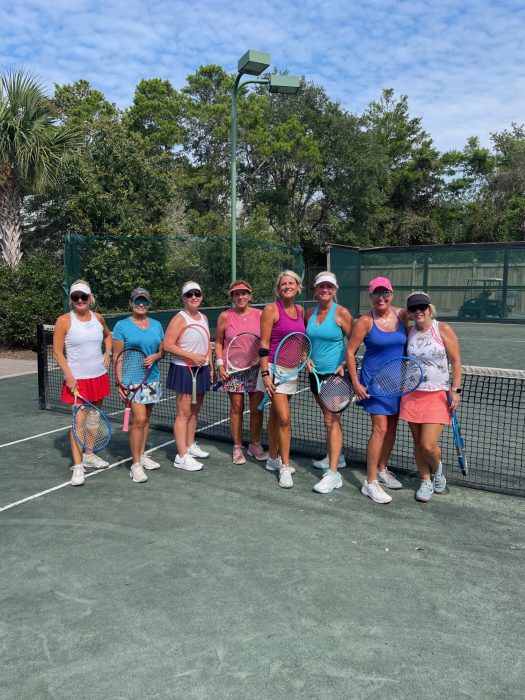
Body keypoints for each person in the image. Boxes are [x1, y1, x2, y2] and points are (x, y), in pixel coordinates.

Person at [346, 277, 408, 504]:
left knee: (392, 427)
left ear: (391, 295)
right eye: (376, 294)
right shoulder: (365, 321)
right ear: (370, 297)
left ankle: (382, 468)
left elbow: (423, 317)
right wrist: (356, 382)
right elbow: (350, 352)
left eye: (385, 293)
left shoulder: (402, 315)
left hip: (399, 382)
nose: (381, 298)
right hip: (374, 383)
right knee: (380, 428)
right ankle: (370, 482)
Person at [400, 291, 462, 502]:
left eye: (422, 307)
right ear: (409, 312)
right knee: (417, 443)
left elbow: (455, 362)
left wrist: (456, 390)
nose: (419, 311)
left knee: (428, 444)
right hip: (411, 394)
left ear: (429, 309)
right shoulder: (408, 332)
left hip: (437, 394)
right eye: (413, 308)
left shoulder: (442, 329)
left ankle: (437, 469)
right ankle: (425, 480)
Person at [53, 280, 112, 486]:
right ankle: (78, 467)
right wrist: (69, 376)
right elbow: (57, 352)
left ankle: (89, 454)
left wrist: (108, 352)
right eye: (75, 297)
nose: (80, 300)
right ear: (71, 300)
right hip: (77, 380)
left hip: (98, 376)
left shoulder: (98, 318)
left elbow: (108, 336)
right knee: (78, 422)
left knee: (93, 418)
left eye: (83, 297)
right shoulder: (63, 321)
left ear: (90, 298)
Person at [305, 272, 354, 494]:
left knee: (330, 420)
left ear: (335, 290)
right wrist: (306, 357)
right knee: (328, 420)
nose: (325, 290)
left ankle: (333, 474)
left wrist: (345, 363)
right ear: (315, 289)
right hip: (315, 374)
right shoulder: (309, 313)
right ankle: (337, 457)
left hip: (336, 375)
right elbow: (306, 342)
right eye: (321, 286)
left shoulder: (341, 313)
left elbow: (354, 343)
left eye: (329, 287)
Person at [257, 270, 305, 489]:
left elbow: (299, 338)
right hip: (274, 370)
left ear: (298, 287)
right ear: (279, 289)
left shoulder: (300, 310)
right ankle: (285, 466)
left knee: (276, 417)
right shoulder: (270, 310)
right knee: (285, 418)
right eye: (283, 283)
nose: (287, 286)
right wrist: (266, 374)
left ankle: (272, 458)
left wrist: (304, 355)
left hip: (292, 371)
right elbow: (264, 344)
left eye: (291, 283)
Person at [112, 288, 165, 484]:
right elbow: (117, 356)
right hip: (131, 381)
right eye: (137, 301)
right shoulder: (121, 326)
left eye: (144, 301)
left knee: (147, 418)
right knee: (139, 419)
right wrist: (119, 382)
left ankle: (142, 455)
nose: (141, 304)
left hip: (152, 379)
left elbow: (162, 350)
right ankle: (135, 465)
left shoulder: (157, 325)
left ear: (149, 303)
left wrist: (157, 356)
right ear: (131, 303)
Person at [214, 280, 268, 465]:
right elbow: (219, 341)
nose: (240, 297)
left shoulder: (261, 315)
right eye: (236, 294)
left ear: (250, 295)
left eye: (244, 293)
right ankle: (237, 447)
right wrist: (220, 365)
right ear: (232, 297)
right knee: (236, 408)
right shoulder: (225, 316)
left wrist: (260, 360)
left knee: (256, 410)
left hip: (255, 370)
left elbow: (265, 340)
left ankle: (255, 445)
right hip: (233, 370)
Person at [164, 282, 213, 471]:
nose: (194, 297)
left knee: (195, 410)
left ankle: (190, 445)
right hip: (184, 369)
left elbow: (207, 343)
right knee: (183, 413)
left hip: (202, 370)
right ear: (184, 298)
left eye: (197, 293)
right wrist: (192, 356)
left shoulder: (204, 318)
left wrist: (210, 368)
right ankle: (181, 456)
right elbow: (168, 345)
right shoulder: (179, 318)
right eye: (189, 294)